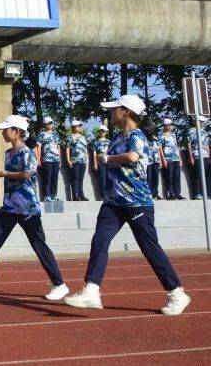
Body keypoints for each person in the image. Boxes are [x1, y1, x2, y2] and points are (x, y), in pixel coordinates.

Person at [64, 94, 190, 316]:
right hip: (113, 202)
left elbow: (133, 157)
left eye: (115, 109)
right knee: (99, 241)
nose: (111, 112)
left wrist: (107, 159)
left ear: (127, 112)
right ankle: (91, 290)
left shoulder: (137, 136)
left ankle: (176, 292)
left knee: (150, 249)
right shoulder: (115, 139)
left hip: (137, 203)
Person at [0, 114, 69, 300]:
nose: (2, 132)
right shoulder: (8, 153)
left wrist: (5, 173)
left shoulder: (27, 152)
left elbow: (27, 175)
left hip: (27, 207)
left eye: (6, 129)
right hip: (10, 206)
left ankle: (60, 284)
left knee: (38, 245)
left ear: (16, 132)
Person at [37, 116, 61, 201]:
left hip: (56, 160)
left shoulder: (56, 134)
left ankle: (54, 194)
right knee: (47, 178)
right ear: (45, 124)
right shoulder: (42, 134)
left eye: (51, 123)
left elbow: (58, 147)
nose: (51, 125)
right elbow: (39, 147)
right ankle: (47, 195)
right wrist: (38, 159)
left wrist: (59, 158)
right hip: (46, 159)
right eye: (49, 123)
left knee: (55, 178)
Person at [65, 120, 89, 201]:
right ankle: (75, 195)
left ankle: (81, 195)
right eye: (78, 126)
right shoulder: (70, 136)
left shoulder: (83, 137)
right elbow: (67, 149)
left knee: (80, 178)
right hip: (74, 161)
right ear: (73, 127)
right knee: (74, 178)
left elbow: (85, 148)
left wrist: (86, 159)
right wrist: (68, 160)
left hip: (83, 161)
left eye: (80, 126)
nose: (80, 127)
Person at [187, 117, 210, 199]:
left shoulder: (204, 132)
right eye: (202, 122)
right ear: (198, 122)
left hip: (205, 155)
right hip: (196, 154)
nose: (203, 123)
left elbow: (206, 144)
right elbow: (189, 144)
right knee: (198, 175)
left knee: (207, 174)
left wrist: (209, 155)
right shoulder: (191, 131)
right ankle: (197, 193)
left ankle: (207, 193)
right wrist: (190, 156)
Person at [160, 118, 183, 200]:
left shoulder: (173, 135)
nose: (169, 126)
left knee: (176, 176)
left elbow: (176, 146)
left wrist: (180, 158)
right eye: (167, 125)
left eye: (170, 125)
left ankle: (177, 193)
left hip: (175, 158)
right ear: (164, 125)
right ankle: (171, 193)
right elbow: (160, 149)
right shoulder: (161, 135)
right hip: (167, 158)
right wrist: (163, 159)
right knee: (169, 176)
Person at [91, 126, 111, 199]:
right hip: (100, 163)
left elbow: (111, 152)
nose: (102, 132)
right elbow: (94, 153)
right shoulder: (96, 142)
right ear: (99, 132)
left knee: (109, 178)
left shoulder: (109, 142)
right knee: (102, 179)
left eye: (104, 131)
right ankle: (103, 196)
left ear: (106, 132)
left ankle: (110, 195)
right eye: (101, 131)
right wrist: (94, 163)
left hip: (108, 162)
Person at [146, 129, 164, 200]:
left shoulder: (156, 139)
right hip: (148, 161)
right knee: (149, 178)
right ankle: (149, 194)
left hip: (156, 160)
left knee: (156, 178)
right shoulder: (144, 138)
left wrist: (160, 161)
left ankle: (155, 194)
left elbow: (158, 150)